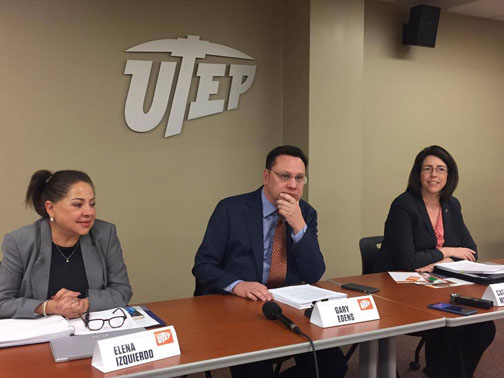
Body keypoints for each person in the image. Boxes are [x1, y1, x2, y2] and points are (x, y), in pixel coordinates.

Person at [193, 146, 347, 378]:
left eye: (299, 178)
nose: (293, 185)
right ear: (266, 176)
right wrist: (237, 285)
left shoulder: (305, 213)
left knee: (333, 366)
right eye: (284, 176)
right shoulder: (231, 209)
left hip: (288, 306)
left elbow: (314, 272)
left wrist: (298, 226)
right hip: (240, 308)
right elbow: (203, 265)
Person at [373, 145, 495, 378]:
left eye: (440, 169)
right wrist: (448, 251)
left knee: (483, 328)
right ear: (418, 173)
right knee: (448, 327)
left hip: (438, 284)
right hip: (398, 290)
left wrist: (436, 260)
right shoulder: (404, 205)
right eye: (427, 169)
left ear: (449, 175)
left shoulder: (451, 205)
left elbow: (470, 251)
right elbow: (408, 260)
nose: (434, 175)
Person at [0, 170, 132, 319]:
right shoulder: (21, 242)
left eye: (92, 204)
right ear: (51, 208)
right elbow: (3, 302)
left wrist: (84, 304)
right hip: (42, 333)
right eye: (78, 205)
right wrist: (48, 307)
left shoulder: (104, 234)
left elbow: (122, 290)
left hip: (93, 328)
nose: (89, 212)